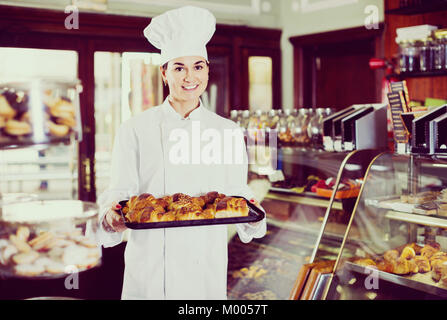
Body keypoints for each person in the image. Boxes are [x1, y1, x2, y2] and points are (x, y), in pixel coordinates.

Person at [97, 5, 266, 300]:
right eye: (179, 67)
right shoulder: (135, 129)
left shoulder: (227, 131)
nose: (190, 77)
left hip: (205, 266)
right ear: (164, 73)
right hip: (151, 267)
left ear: (208, 70)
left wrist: (254, 215)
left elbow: (236, 193)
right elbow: (119, 193)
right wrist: (111, 216)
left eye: (198, 66)